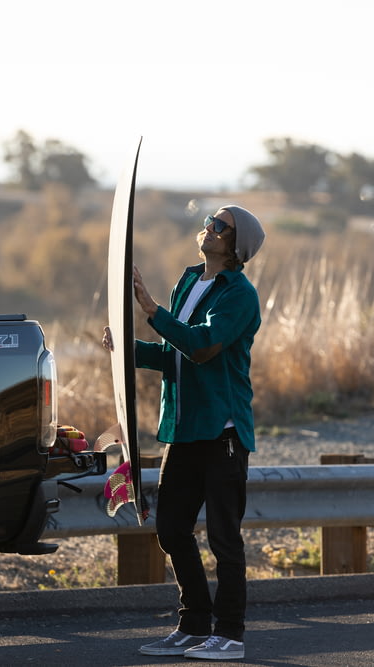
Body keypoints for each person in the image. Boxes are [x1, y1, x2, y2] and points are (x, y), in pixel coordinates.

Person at [102, 204, 265, 661]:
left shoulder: (239, 294)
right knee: (172, 529)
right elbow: (174, 352)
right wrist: (128, 352)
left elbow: (201, 347)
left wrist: (152, 310)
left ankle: (229, 635)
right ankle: (194, 624)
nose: (209, 227)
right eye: (210, 220)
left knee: (223, 538)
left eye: (220, 226)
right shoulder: (189, 281)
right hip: (184, 428)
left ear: (235, 246)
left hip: (223, 431)